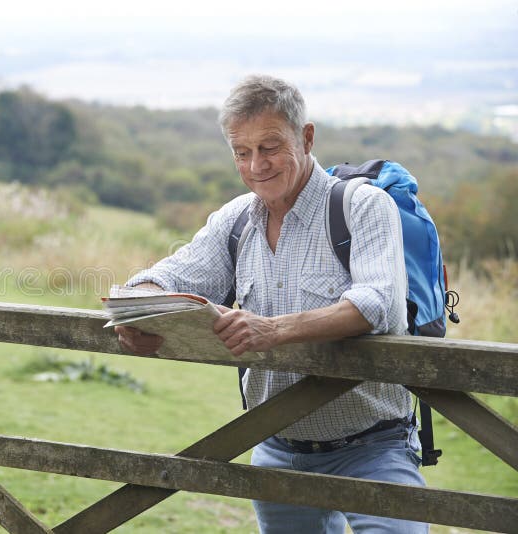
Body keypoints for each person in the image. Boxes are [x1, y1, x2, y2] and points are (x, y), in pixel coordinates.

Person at [115, 74, 428, 533]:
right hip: (277, 448)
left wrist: (276, 329)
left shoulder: (364, 207)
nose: (256, 165)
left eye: (270, 147)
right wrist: (138, 311)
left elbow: (380, 304)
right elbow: (169, 275)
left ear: (306, 137)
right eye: (242, 152)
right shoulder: (236, 218)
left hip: (374, 447)